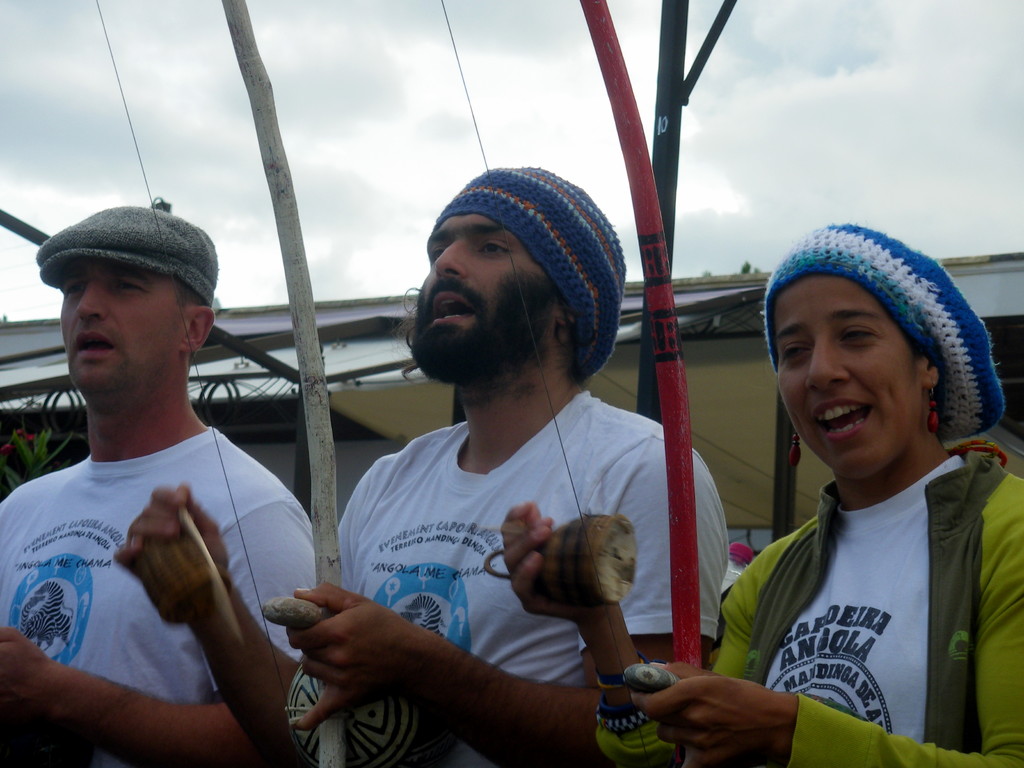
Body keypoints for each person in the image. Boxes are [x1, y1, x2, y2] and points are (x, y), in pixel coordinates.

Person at [118, 167, 729, 768]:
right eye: (439, 247)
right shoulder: (391, 479)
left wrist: (420, 664)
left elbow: (661, 745)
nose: (447, 264)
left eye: (489, 245)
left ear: (569, 308)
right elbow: (316, 745)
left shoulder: (640, 467)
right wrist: (212, 607)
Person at [588, 224, 1023, 767]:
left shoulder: (1013, 536)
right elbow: (659, 754)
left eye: (855, 336)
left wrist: (789, 730)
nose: (821, 371)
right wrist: (596, 618)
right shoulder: (769, 576)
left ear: (927, 363)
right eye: (794, 351)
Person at [0, 206, 315, 767]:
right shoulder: (21, 508)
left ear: (193, 329)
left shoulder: (251, 507)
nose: (88, 307)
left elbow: (291, 734)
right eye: (74, 289)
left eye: (125, 286)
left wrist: (57, 694)